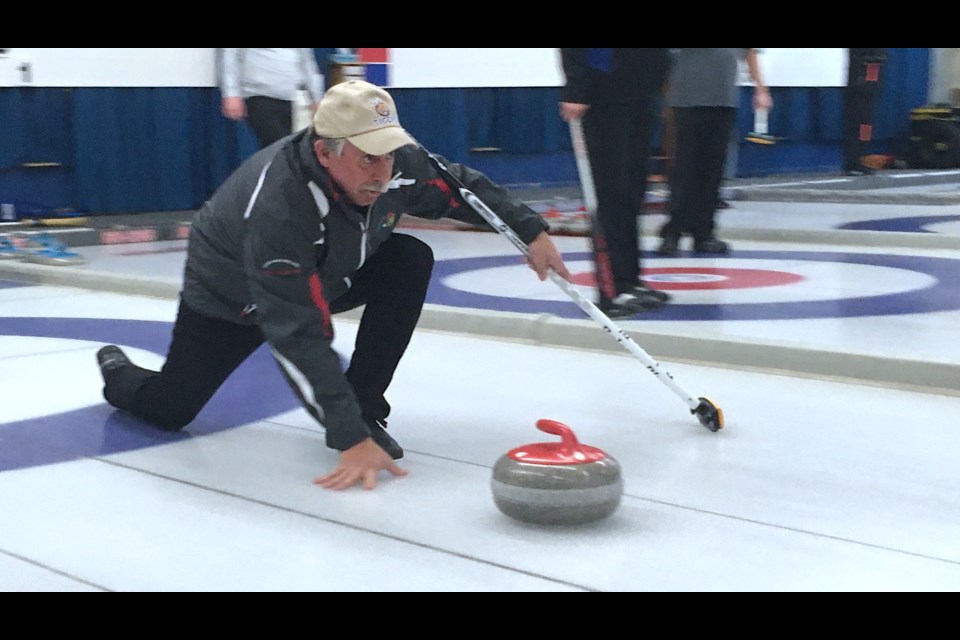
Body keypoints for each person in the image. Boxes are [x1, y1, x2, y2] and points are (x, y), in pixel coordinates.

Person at [95, 80, 571, 492]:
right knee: (171, 408)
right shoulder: (280, 204)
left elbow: (458, 188)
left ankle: (365, 406)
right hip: (234, 297)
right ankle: (117, 370)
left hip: (326, 272)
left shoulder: (392, 164)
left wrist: (528, 230)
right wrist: (348, 439)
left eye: (387, 154)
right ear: (325, 152)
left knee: (407, 259)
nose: (382, 172)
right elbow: (295, 329)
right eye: (368, 159)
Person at [558, 48, 672, 318]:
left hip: (642, 90)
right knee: (610, 192)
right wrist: (576, 88)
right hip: (604, 93)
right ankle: (610, 288)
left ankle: (630, 279)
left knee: (633, 192)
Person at [657, 48, 772, 256]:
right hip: (687, 99)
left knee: (712, 170)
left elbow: (750, 52)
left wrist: (761, 88)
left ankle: (704, 232)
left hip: (723, 99)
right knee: (683, 169)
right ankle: (673, 231)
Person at [218, 48, 326, 148]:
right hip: (259, 95)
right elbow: (230, 55)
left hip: (291, 98)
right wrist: (230, 93)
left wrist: (317, 98)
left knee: (282, 150)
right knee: (280, 148)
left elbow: (307, 61)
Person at [842, 48, 888, 176]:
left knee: (865, 127)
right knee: (856, 126)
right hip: (860, 89)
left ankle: (860, 158)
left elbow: (879, 59)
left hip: (868, 90)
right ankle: (852, 161)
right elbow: (870, 60)